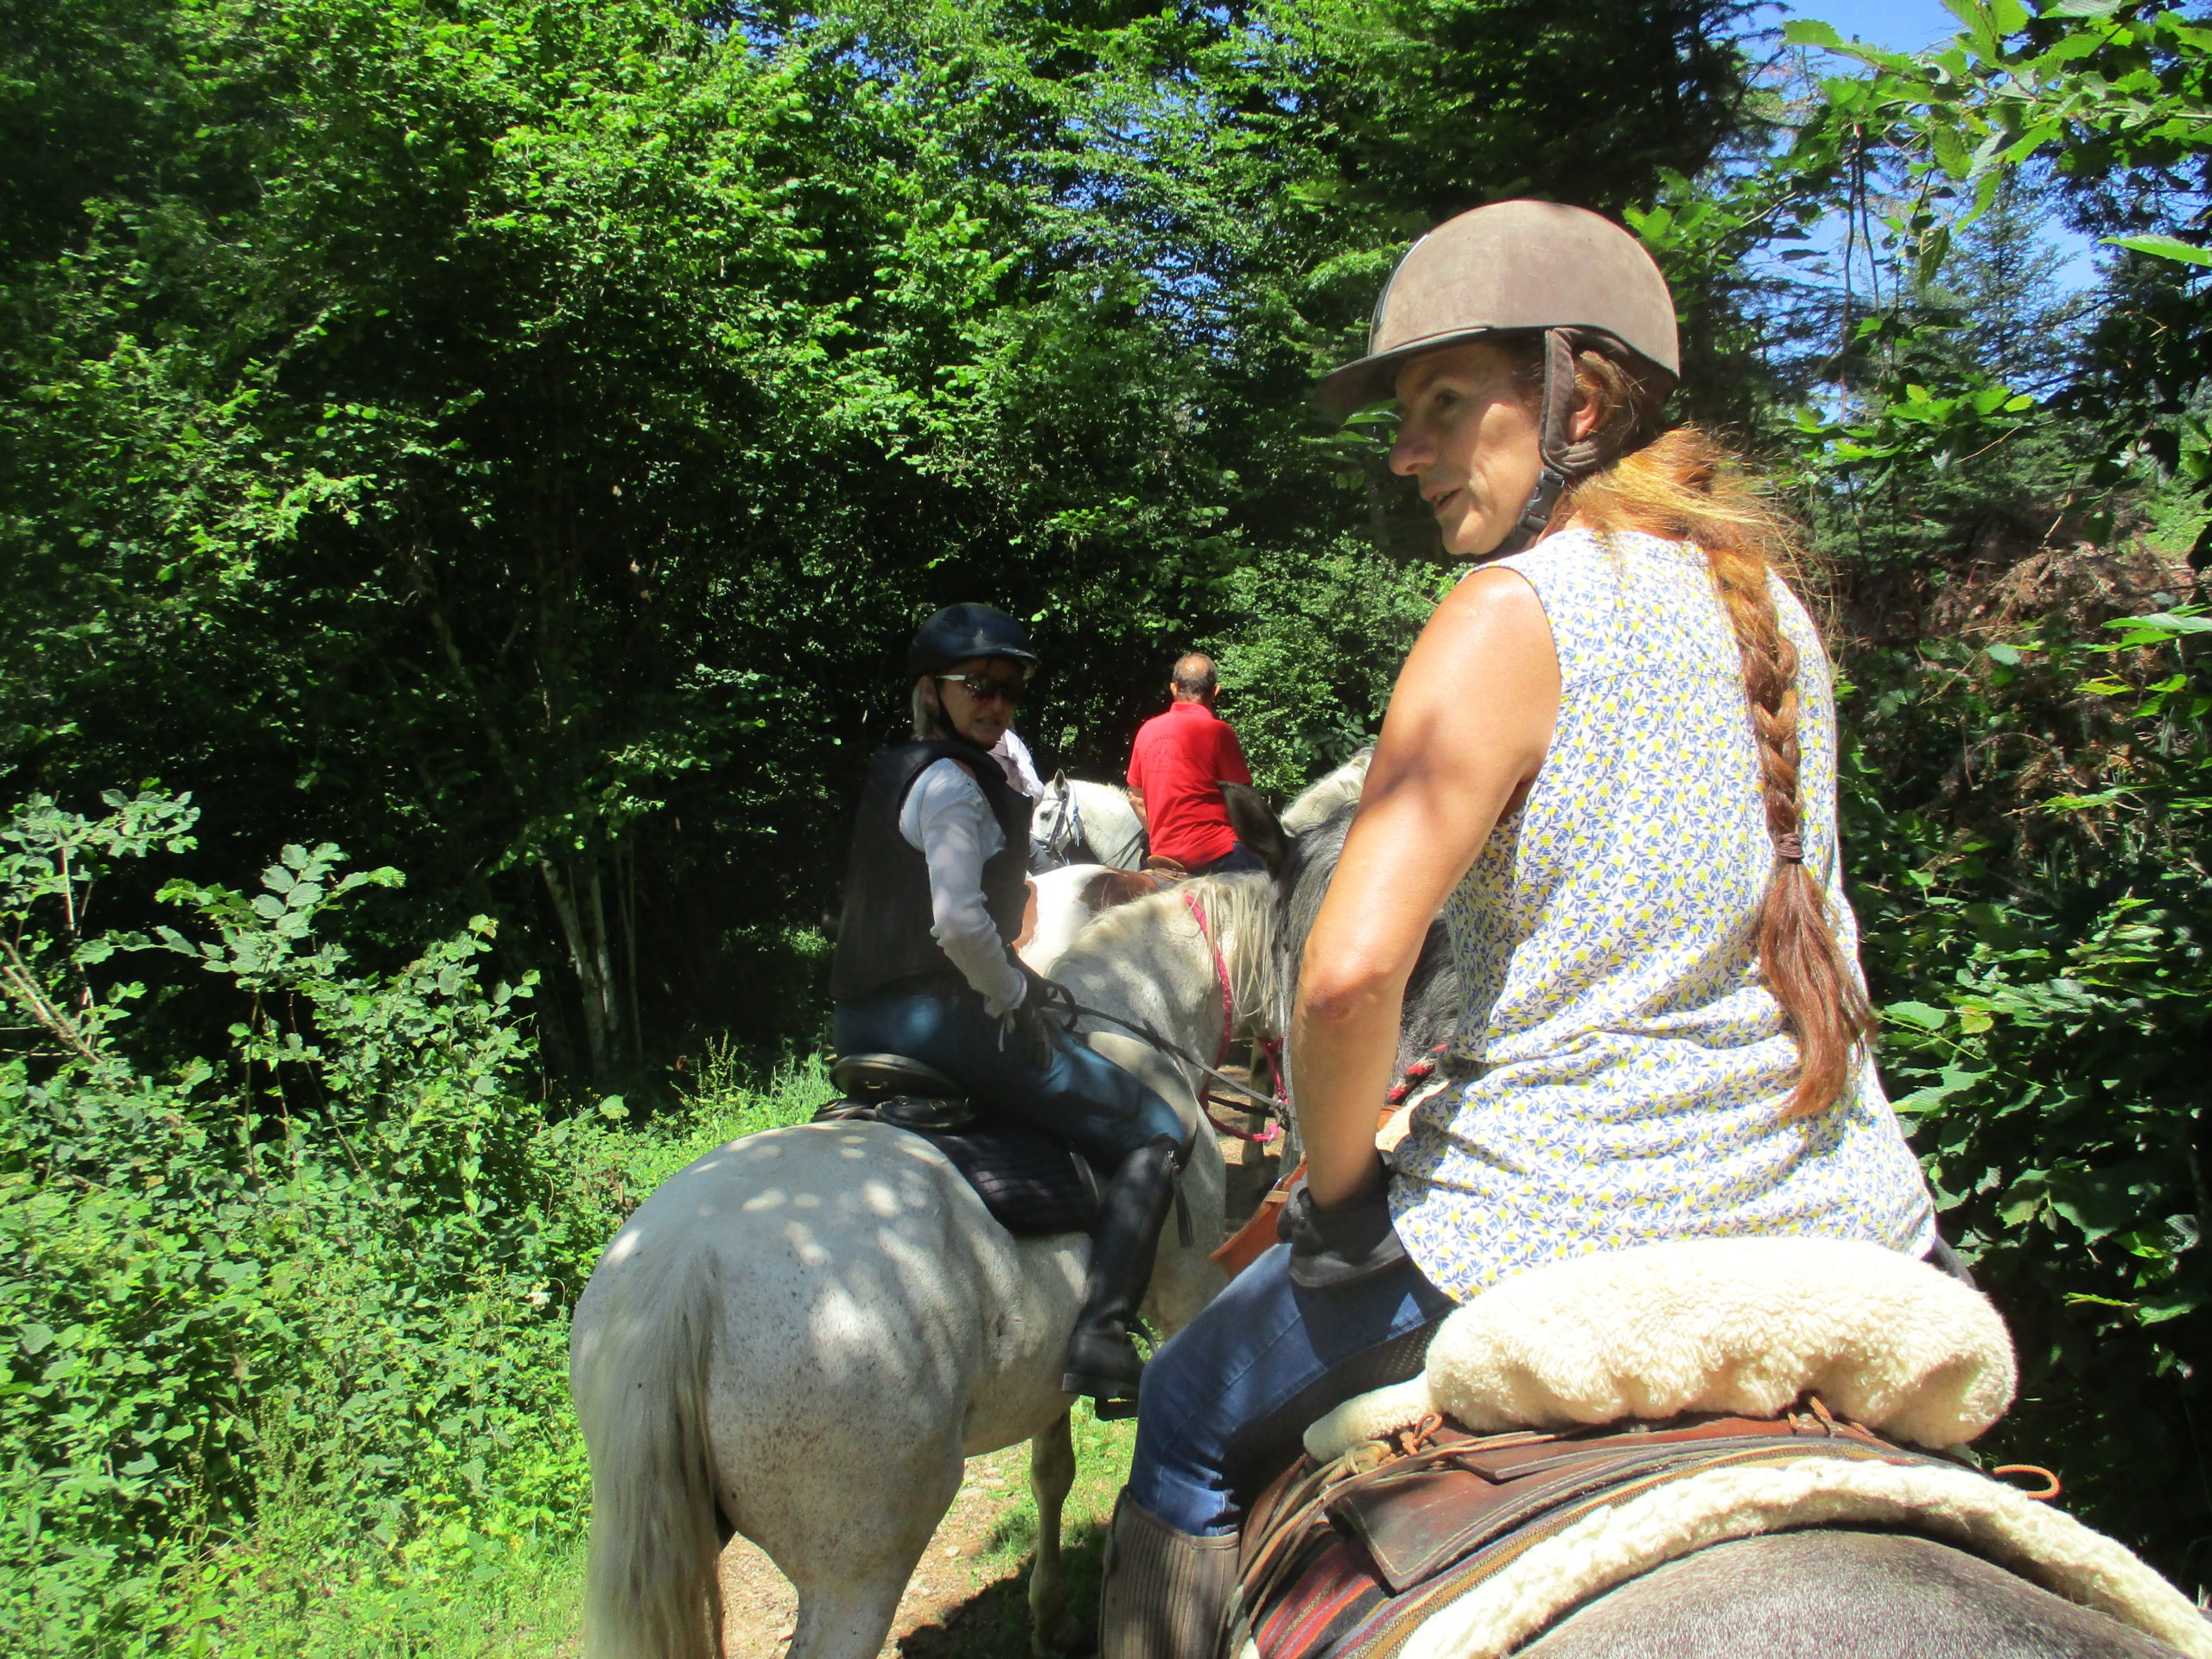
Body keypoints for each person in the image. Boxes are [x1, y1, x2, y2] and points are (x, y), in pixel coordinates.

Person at [1095, 200, 1937, 1657]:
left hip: (1544, 1213)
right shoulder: (1777, 619)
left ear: (1578, 400)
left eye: (1439, 404)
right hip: (1844, 1207)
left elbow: (1349, 976)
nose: (1408, 453)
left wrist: (1343, 1208)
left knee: (1180, 1421)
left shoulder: (1508, 612)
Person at [830, 602, 1192, 1413]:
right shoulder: (956, 783)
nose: (995, 703)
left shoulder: (899, 768)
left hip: (858, 1018)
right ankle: (1102, 1334)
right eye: (978, 685)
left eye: (1010, 688)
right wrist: (1015, 991)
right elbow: (958, 921)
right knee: (1158, 1130)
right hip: (941, 1020)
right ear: (934, 690)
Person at [1126, 653, 1258, 874]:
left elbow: (1136, 798)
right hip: (1216, 854)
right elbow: (1244, 799)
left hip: (1163, 856)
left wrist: (1162, 839)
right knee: (1278, 879)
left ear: (1173, 688)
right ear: (1216, 691)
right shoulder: (1218, 732)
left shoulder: (1146, 730)